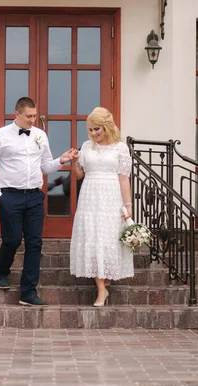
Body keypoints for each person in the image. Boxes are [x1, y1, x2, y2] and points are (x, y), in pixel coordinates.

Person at [0, 97, 78, 306]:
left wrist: (61, 160)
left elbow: (45, 167)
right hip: (9, 195)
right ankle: (1, 270)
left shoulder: (40, 136)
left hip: (34, 196)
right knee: (13, 239)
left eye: (34, 116)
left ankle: (28, 293)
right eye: (29, 116)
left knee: (35, 243)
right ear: (17, 114)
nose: (33, 120)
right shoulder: (0, 136)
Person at [69, 107, 134, 307]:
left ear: (106, 127)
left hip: (111, 196)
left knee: (108, 240)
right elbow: (79, 175)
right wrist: (74, 162)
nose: (94, 134)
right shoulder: (87, 147)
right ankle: (101, 289)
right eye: (90, 130)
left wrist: (128, 205)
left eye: (97, 129)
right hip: (90, 197)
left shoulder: (120, 148)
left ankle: (106, 278)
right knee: (93, 238)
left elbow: (124, 179)